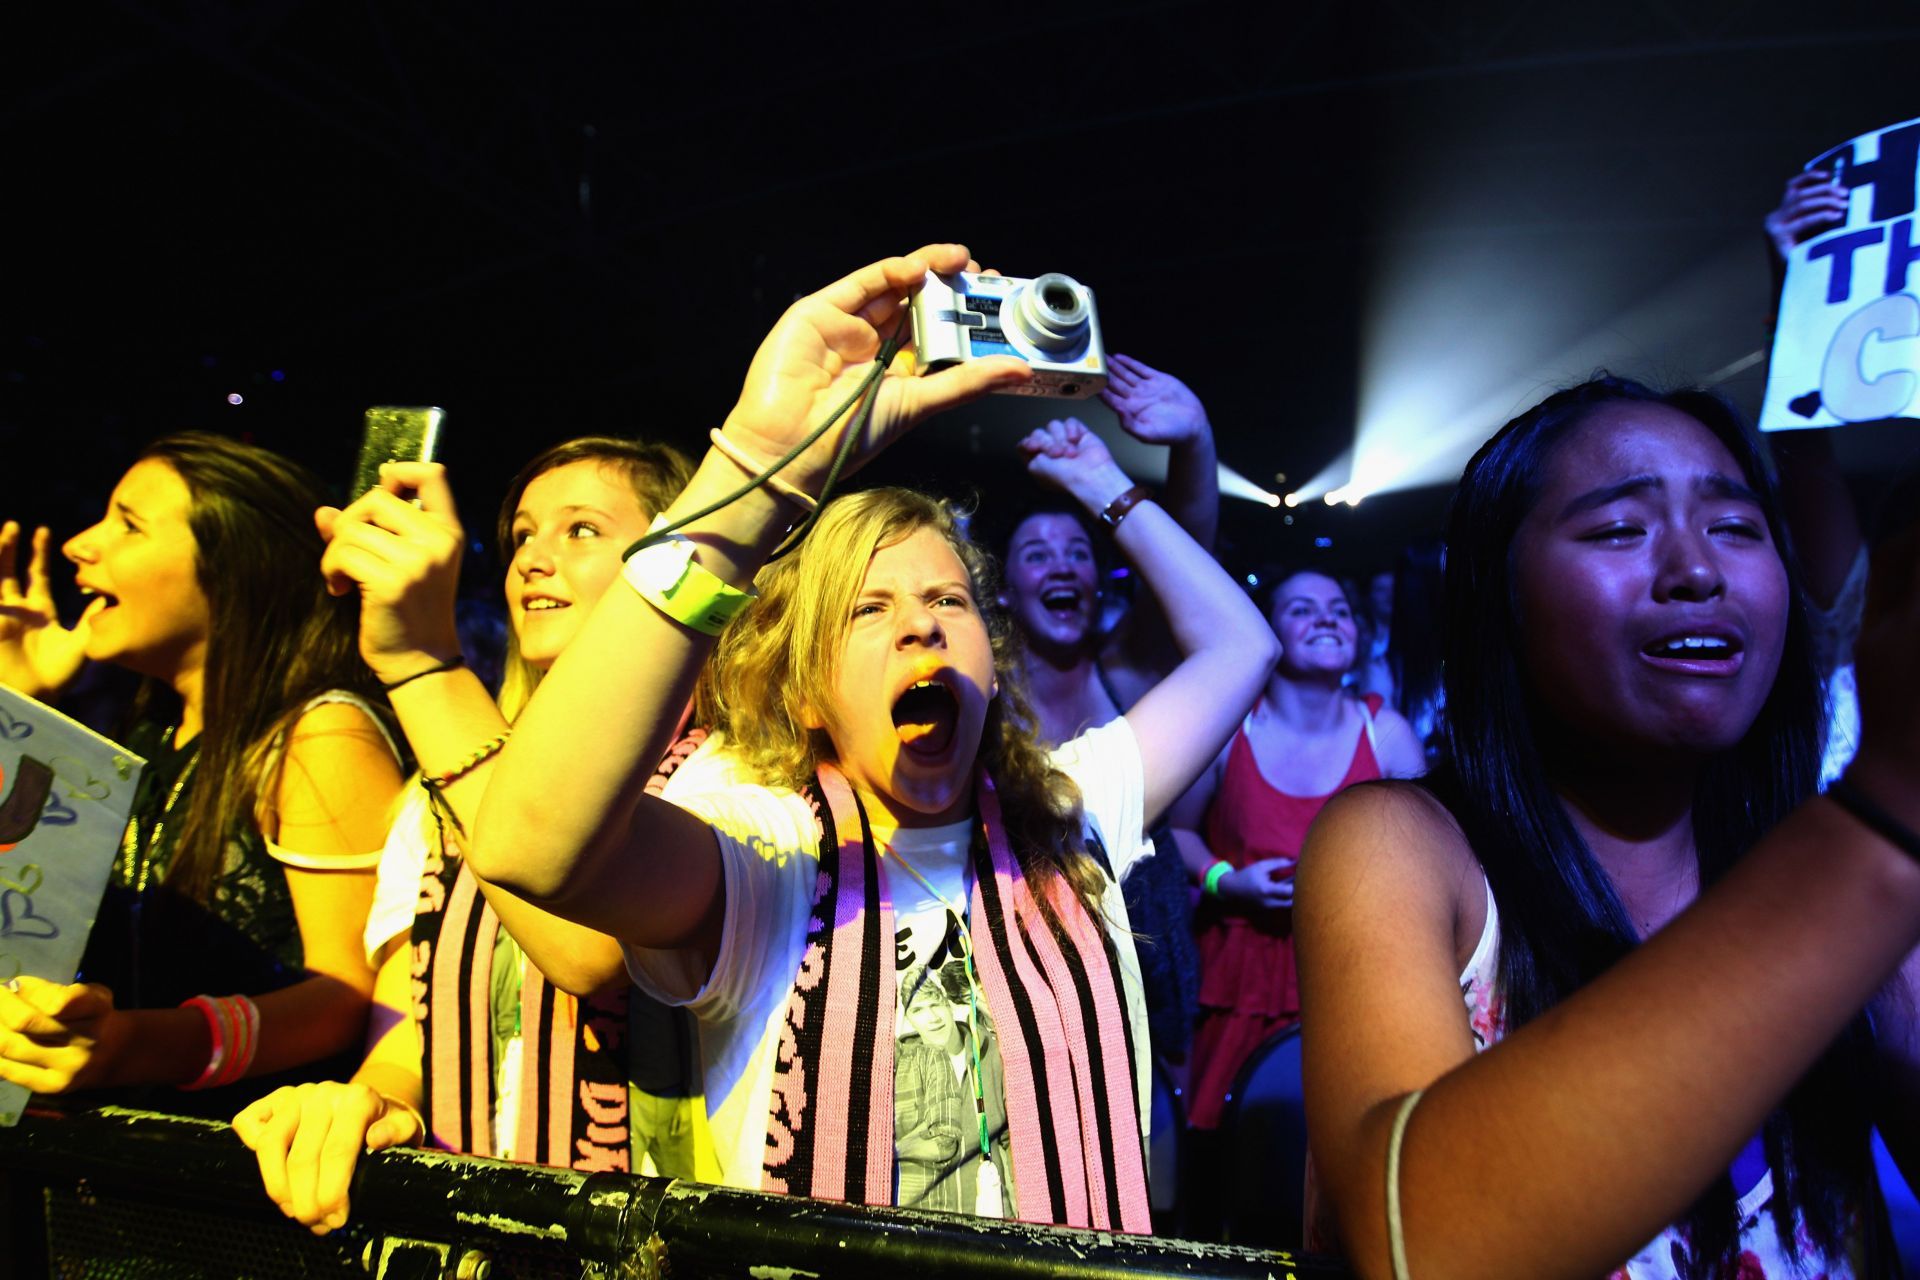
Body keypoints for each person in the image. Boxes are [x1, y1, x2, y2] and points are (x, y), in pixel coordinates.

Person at [466, 243, 1278, 1230]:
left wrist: (1108, 479)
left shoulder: (1069, 810)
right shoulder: (764, 853)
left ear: (990, 658)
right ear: (805, 691)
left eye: (949, 599)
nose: (922, 623)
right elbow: (527, 842)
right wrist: (758, 468)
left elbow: (1240, 643)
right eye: (868, 608)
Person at [1296, 376, 1920, 1279]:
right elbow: (1423, 1246)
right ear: (1500, 595)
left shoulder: (1823, 882)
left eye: (1738, 528)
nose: (1697, 570)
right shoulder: (1400, 848)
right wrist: (1879, 826)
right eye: (1621, 529)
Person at [232, 437, 712, 1235]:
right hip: (470, 1232)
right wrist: (371, 1099)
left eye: (582, 530)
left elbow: (589, 951)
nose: (533, 559)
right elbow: (407, 1025)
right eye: (523, 535)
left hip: (643, 1235)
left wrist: (420, 664)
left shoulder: (725, 769)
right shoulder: (437, 789)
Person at [0, 434, 405, 1116]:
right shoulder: (158, 735)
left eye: (128, 524)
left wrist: (140, 1046)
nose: (80, 544)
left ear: (234, 569)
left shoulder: (319, 734)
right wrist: (24, 704)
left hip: (242, 1184)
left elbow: (352, 996)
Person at [991, 355, 1216, 1060]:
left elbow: (1191, 561)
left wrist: (1193, 444)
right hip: (1024, 972)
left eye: (1077, 553)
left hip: (1146, 970)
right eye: (1036, 554)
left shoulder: (1130, 667)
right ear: (1002, 591)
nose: (1061, 565)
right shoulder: (984, 700)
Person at [1168, 569, 1425, 1130]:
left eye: (1337, 608)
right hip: (1240, 976)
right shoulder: (1231, 729)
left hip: (1355, 972)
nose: (1326, 618)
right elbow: (1174, 834)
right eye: (1303, 609)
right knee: (1227, 1159)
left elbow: (1429, 859)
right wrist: (1223, 881)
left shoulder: (1389, 734)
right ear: (1268, 631)